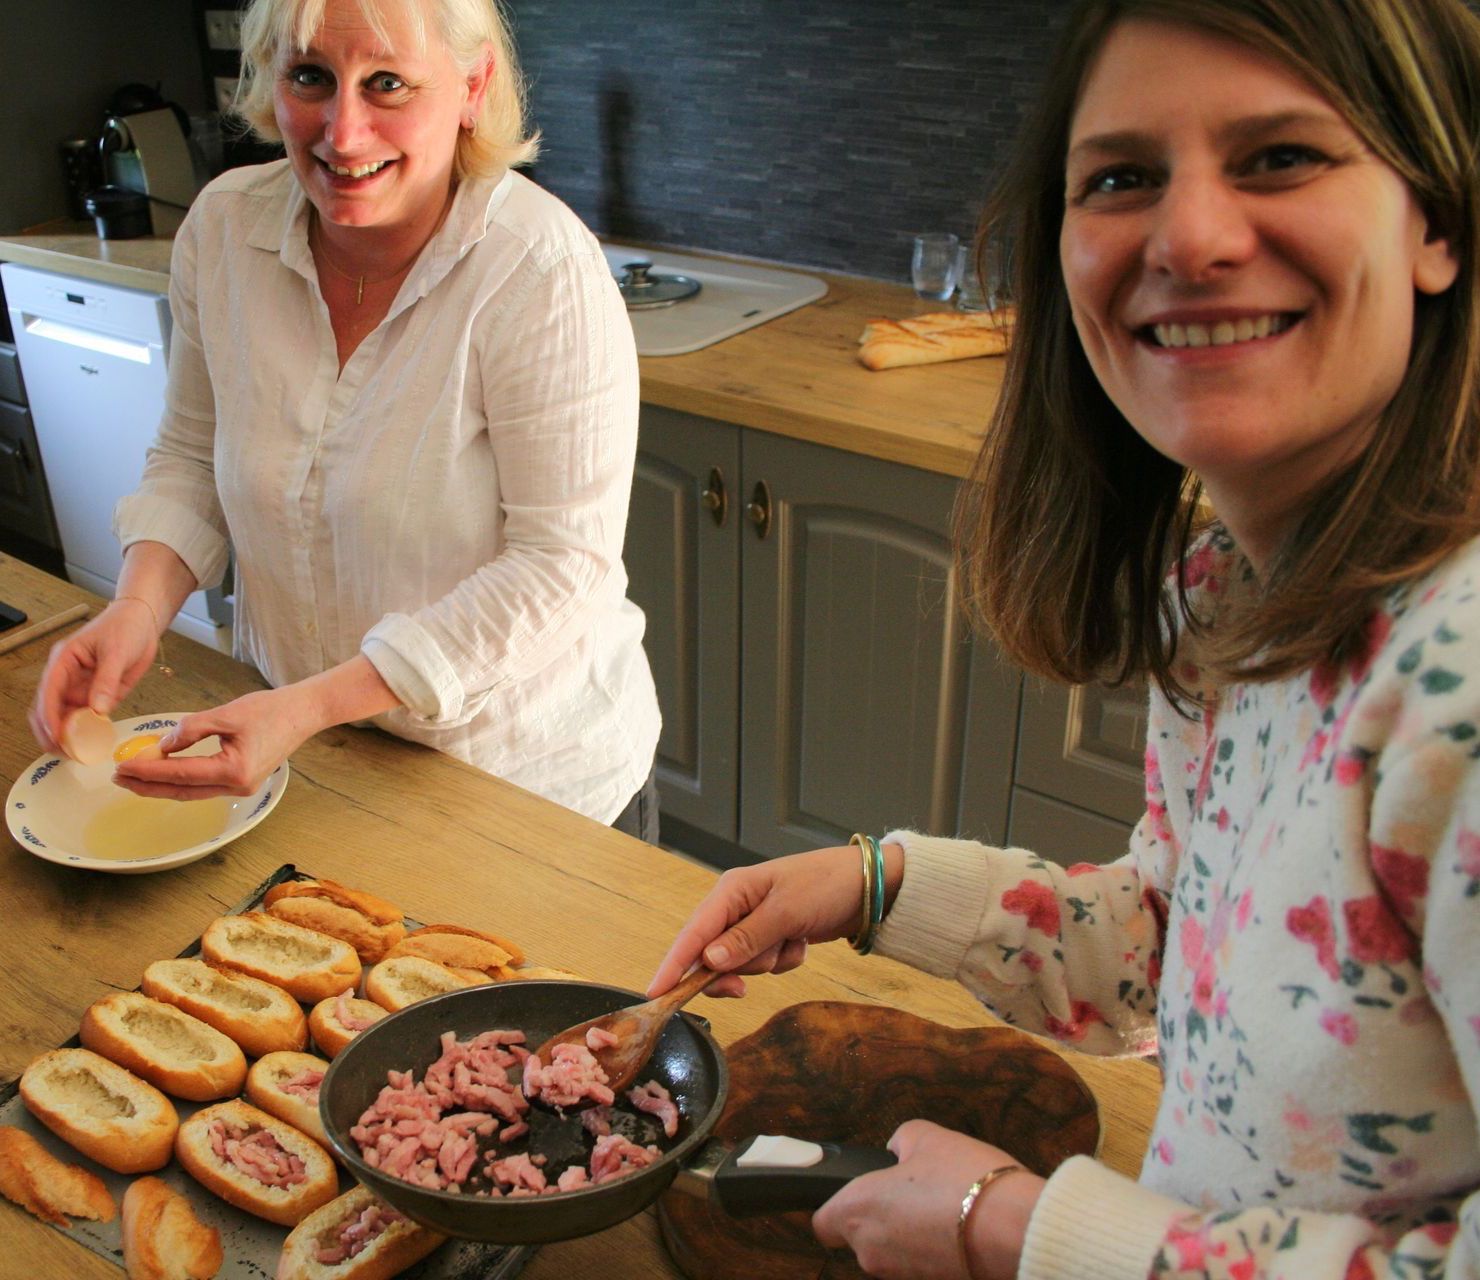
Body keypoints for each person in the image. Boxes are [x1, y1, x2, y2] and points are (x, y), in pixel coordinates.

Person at [650, 0, 1480, 1275]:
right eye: (1123, 177)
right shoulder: (1225, 598)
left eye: (1280, 157)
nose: (1191, 235)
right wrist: (873, 883)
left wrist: (1028, 1230)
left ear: (1435, 222)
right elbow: (1173, 939)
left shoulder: (1460, 684)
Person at [28, 0, 662, 838]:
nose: (344, 131)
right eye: (310, 78)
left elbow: (558, 567)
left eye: (388, 83)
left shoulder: (540, 273)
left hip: (522, 785)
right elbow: (189, 454)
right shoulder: (223, 230)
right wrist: (136, 610)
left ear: (473, 86)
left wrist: (305, 707)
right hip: (310, 757)